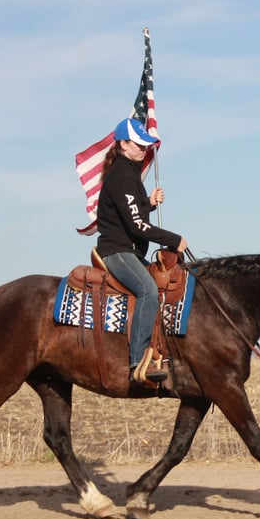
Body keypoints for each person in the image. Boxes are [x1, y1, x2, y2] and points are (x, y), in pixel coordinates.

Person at [95, 117, 188, 386]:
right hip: (118, 252)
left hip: (130, 251)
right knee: (148, 289)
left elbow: (130, 215)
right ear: (123, 144)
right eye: (138, 145)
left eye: (145, 145)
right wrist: (174, 239)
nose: (144, 149)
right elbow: (137, 226)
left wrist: (148, 203)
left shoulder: (128, 174)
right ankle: (137, 362)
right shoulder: (122, 176)